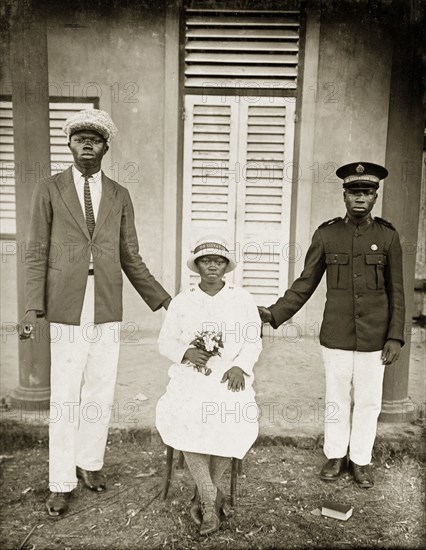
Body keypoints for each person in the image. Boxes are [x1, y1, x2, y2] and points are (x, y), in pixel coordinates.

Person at [18, 109, 171, 517]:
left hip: (105, 302)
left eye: (95, 139)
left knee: (99, 392)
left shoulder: (119, 194)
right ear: (68, 144)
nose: (87, 145)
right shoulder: (49, 189)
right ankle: (60, 481)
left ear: (106, 147)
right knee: (66, 396)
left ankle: (89, 463)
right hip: (64, 303)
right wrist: (33, 307)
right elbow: (35, 252)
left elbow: (130, 255)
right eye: (79, 138)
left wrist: (164, 299)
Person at [258, 162, 405, 488]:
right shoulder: (327, 235)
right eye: (354, 192)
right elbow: (305, 283)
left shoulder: (387, 236)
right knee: (337, 397)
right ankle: (336, 455)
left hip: (375, 337)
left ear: (375, 196)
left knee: (369, 400)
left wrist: (395, 336)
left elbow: (398, 292)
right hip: (336, 334)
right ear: (344, 195)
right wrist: (274, 313)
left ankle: (361, 460)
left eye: (366, 193)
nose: (359, 199)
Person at [156, 236, 262, 535]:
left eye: (218, 261)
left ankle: (205, 499)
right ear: (197, 266)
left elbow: (253, 341)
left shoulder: (241, 299)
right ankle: (210, 500)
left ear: (226, 267)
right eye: (206, 260)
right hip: (191, 372)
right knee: (184, 417)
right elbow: (165, 341)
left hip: (230, 372)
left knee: (233, 415)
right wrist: (185, 352)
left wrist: (241, 366)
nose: (212, 265)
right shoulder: (182, 301)